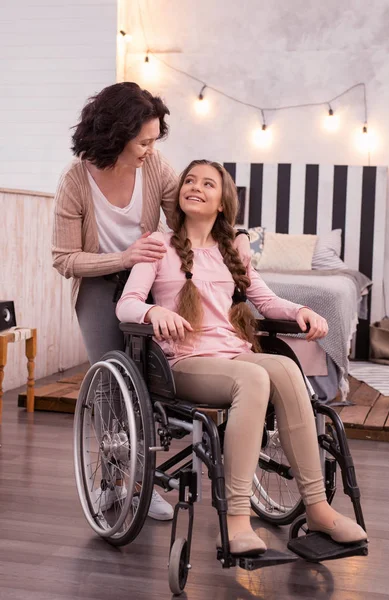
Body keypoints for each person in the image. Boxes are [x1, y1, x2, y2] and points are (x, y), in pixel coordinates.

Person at [116, 159, 368, 555]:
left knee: (284, 368)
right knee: (253, 379)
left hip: (232, 353)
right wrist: (153, 311)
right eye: (190, 180)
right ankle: (235, 518)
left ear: (222, 202)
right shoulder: (158, 246)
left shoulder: (233, 246)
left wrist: (299, 311)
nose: (195, 186)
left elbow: (264, 299)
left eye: (208, 183)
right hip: (183, 362)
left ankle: (317, 507)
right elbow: (126, 305)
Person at [52, 83, 250, 521]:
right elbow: (63, 259)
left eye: (155, 139)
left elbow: (187, 212)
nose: (150, 148)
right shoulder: (75, 180)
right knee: (112, 383)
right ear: (115, 134)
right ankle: (115, 481)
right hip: (101, 283)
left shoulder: (154, 166)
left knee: (151, 383)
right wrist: (123, 257)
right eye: (143, 140)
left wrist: (232, 236)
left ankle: (147, 477)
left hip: (150, 278)